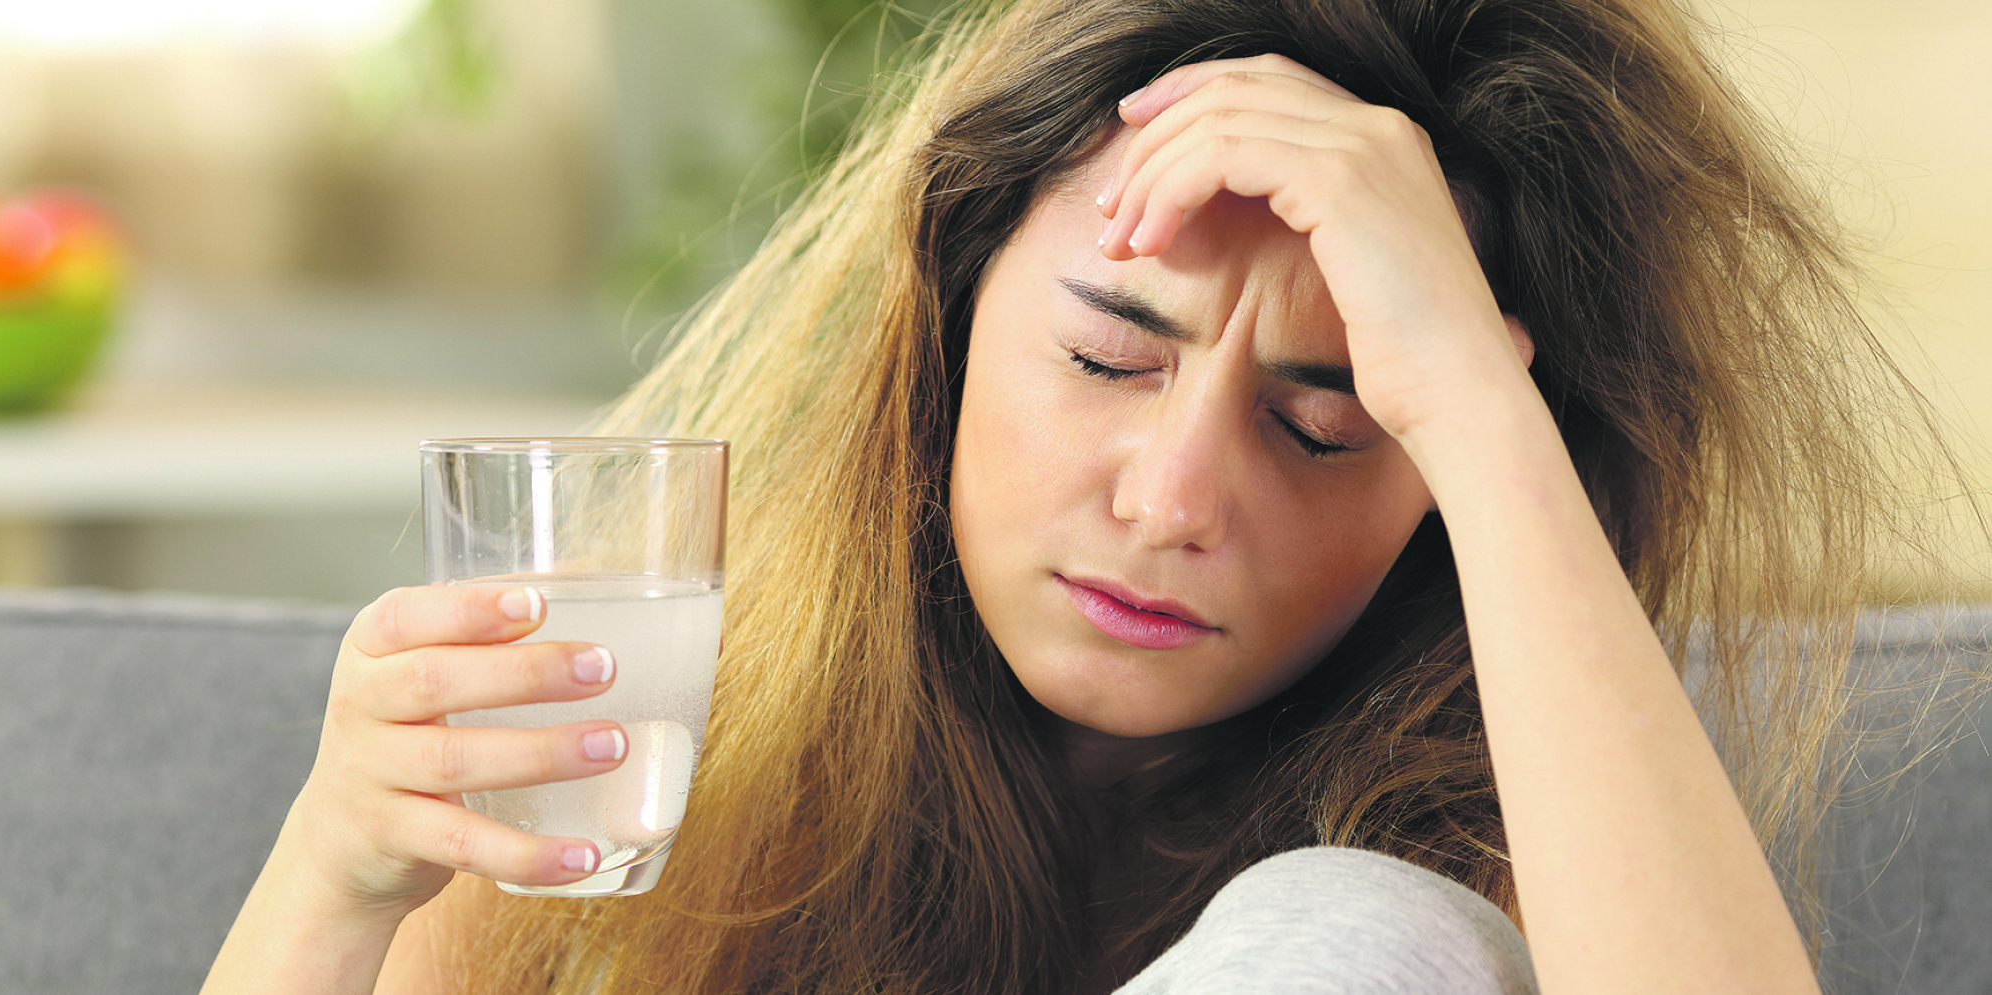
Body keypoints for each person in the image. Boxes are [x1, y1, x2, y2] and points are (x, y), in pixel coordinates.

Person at [204, 0, 1981, 992]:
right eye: (1108, 359)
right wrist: (338, 876)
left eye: (1330, 424)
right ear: (949, 327)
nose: (1174, 494)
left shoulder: (1530, 870)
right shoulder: (640, 747)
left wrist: (1472, 399)